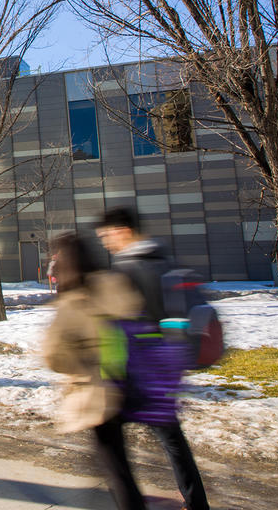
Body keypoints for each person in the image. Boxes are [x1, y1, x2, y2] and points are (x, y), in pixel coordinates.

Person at [97, 207, 210, 510]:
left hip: (136, 370)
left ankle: (130, 501)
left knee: (108, 435)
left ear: (123, 231)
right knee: (172, 439)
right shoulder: (162, 259)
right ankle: (196, 502)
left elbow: (116, 323)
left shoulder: (128, 267)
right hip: (164, 364)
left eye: (107, 235)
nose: (106, 242)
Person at [43, 233, 145, 510]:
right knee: (119, 459)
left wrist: (78, 367)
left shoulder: (72, 302)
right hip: (131, 380)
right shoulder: (115, 283)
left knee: (114, 465)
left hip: (98, 390)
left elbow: (52, 354)